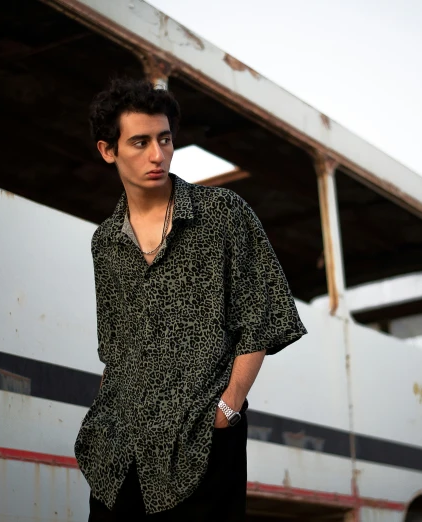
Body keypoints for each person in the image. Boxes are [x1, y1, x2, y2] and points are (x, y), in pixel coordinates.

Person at [74, 77, 307, 521]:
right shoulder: (104, 242)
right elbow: (114, 348)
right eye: (140, 142)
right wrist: (102, 426)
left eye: (164, 139)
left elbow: (262, 316)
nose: (157, 155)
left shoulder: (222, 213)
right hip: (121, 452)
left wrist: (227, 407)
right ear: (109, 150)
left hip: (202, 443)